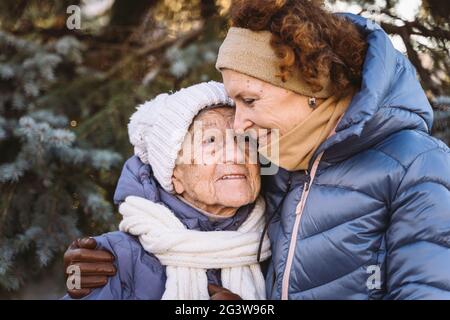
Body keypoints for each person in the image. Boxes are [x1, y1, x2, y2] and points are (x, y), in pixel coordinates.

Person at [65, 1, 450, 299]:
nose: (239, 124)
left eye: (249, 100)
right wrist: (109, 258)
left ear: (310, 86)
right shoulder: (282, 163)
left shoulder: (416, 167)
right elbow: (184, 188)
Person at [63, 81, 270, 300]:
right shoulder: (113, 258)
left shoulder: (280, 238)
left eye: (244, 139)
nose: (237, 154)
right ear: (173, 175)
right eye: (211, 140)